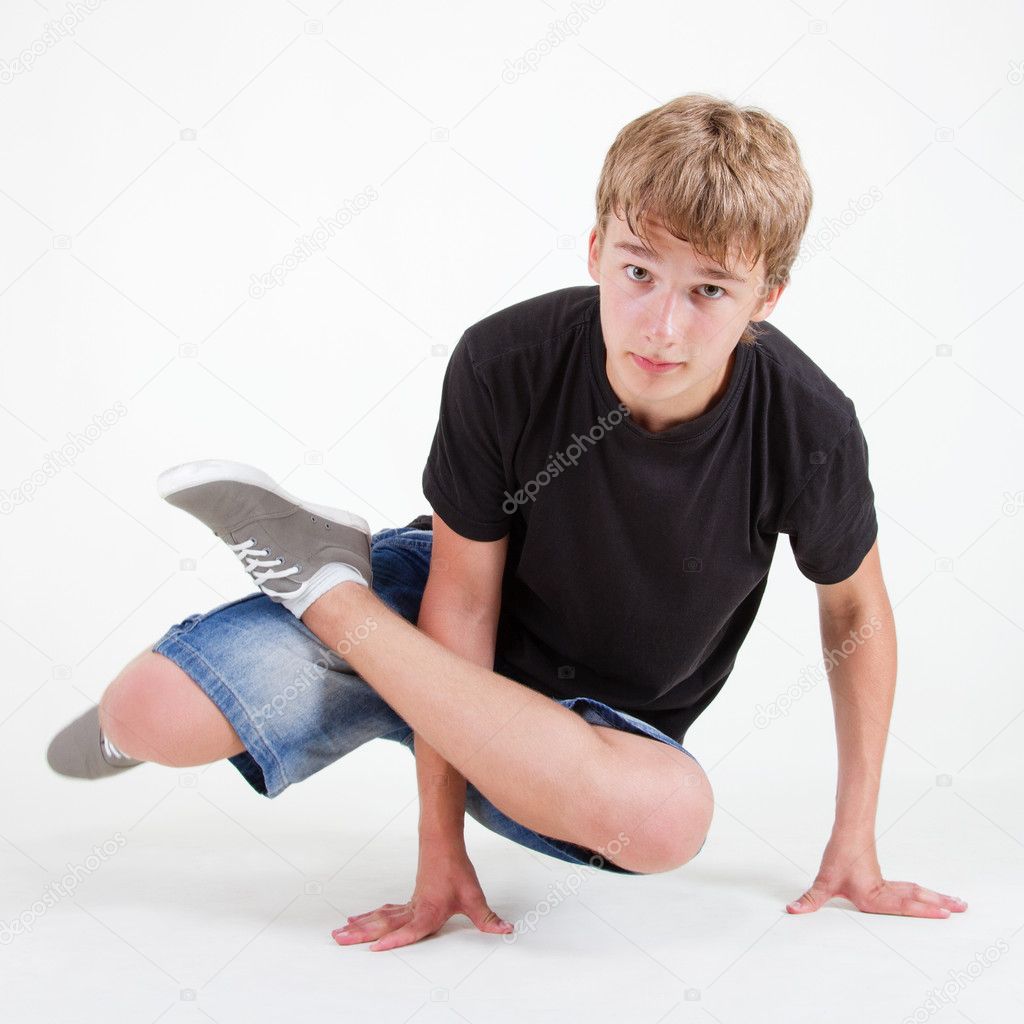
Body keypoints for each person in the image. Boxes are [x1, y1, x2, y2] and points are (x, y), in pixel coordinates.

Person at [46, 93, 967, 950]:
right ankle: (345, 605)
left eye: (710, 291)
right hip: (440, 623)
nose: (662, 326)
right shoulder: (505, 361)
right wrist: (439, 857)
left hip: (579, 736)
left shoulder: (807, 423)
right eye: (638, 272)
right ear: (596, 247)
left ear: (767, 297)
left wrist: (856, 843)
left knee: (668, 820)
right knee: (150, 712)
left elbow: (856, 615)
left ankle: (331, 596)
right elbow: (464, 600)